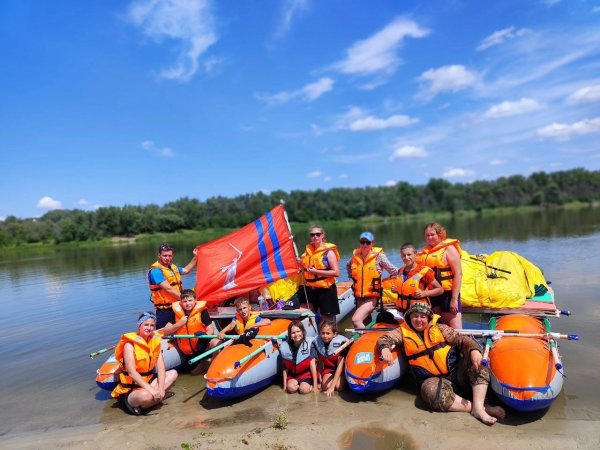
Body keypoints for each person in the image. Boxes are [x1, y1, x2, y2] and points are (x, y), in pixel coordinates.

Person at [377, 303, 505, 425]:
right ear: (409, 317)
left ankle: (479, 406)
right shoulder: (401, 332)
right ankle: (478, 408)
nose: (419, 320)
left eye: (423, 316)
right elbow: (385, 339)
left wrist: (474, 350)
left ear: (428, 318)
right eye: (415, 316)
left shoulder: (440, 328)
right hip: (431, 380)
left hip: (456, 372)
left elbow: (461, 339)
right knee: (431, 393)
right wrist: (385, 348)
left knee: (478, 363)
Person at [111, 312, 178, 415]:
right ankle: (149, 401)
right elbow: (132, 373)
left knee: (173, 374)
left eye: (152, 325)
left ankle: (151, 402)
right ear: (139, 325)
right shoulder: (129, 345)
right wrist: (152, 390)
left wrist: (160, 389)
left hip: (148, 383)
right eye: (146, 325)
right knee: (146, 395)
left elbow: (161, 368)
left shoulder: (154, 343)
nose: (149, 328)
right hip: (131, 391)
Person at [416, 223, 463, 328]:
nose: (429, 237)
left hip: (448, 294)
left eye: (432, 234)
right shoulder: (424, 253)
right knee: (436, 327)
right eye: (427, 235)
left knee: (456, 330)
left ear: (440, 234)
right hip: (432, 294)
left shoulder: (449, 249)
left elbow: (458, 274)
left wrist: (454, 299)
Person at [347, 231, 398, 328]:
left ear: (372, 243)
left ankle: (364, 339)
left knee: (356, 320)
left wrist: (405, 275)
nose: (365, 244)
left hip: (372, 296)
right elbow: (348, 265)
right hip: (358, 296)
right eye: (362, 242)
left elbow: (393, 270)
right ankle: (366, 338)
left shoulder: (379, 256)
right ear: (360, 242)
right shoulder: (355, 256)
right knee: (365, 321)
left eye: (368, 242)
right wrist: (352, 276)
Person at [161, 289, 215, 373]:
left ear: (195, 300)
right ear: (181, 302)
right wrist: (180, 323)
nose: (188, 303)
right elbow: (166, 331)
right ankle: (205, 363)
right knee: (192, 372)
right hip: (187, 351)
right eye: (185, 301)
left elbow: (211, 330)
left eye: (190, 300)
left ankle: (210, 363)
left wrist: (203, 337)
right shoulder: (176, 314)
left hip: (201, 347)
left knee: (215, 342)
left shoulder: (202, 312)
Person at [148, 243, 198, 328]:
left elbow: (186, 270)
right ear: (159, 255)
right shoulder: (156, 271)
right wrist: (187, 299)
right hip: (165, 311)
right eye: (165, 255)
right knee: (165, 335)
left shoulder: (172, 267)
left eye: (169, 256)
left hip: (178, 306)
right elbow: (168, 289)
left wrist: (196, 257)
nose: (167, 258)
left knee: (181, 330)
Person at [299, 225, 340, 322]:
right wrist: (300, 263)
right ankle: (321, 335)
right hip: (312, 289)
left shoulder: (328, 252)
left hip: (326, 290)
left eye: (318, 234)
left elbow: (336, 272)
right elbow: (305, 269)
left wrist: (315, 272)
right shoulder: (307, 253)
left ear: (322, 236)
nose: (315, 236)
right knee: (318, 317)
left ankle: (333, 335)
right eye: (312, 235)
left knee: (327, 319)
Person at [395, 243, 443, 314]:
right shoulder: (400, 270)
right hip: (403, 309)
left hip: (419, 310)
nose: (406, 257)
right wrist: (396, 289)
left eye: (409, 254)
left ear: (416, 255)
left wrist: (425, 293)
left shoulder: (424, 271)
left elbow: (440, 290)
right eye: (403, 255)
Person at [311, 320, 348, 397]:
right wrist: (320, 380)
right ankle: (332, 383)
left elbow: (340, 366)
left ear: (334, 334)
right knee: (325, 387)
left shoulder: (341, 344)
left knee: (338, 387)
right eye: (323, 333)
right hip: (329, 369)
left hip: (341, 369)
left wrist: (332, 387)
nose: (325, 336)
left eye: (328, 333)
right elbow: (320, 363)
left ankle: (341, 380)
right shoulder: (318, 343)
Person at [280, 320, 318, 394]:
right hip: (293, 376)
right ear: (290, 335)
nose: (296, 334)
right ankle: (298, 386)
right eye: (293, 333)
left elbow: (313, 365)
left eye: (298, 331)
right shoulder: (285, 347)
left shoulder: (310, 344)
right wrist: (284, 386)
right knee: (290, 389)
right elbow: (284, 368)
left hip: (306, 374)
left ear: (303, 332)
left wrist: (315, 385)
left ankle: (305, 386)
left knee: (303, 390)